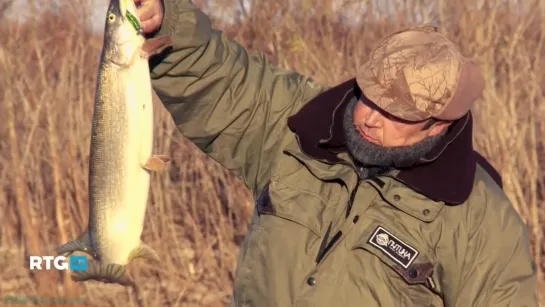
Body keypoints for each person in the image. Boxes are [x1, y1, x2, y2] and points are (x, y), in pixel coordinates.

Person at [135, 0, 539, 306]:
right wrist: (164, 18)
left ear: (439, 125)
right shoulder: (297, 129)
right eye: (369, 96)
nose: (369, 118)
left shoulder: (481, 222)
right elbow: (218, 78)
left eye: (395, 113)